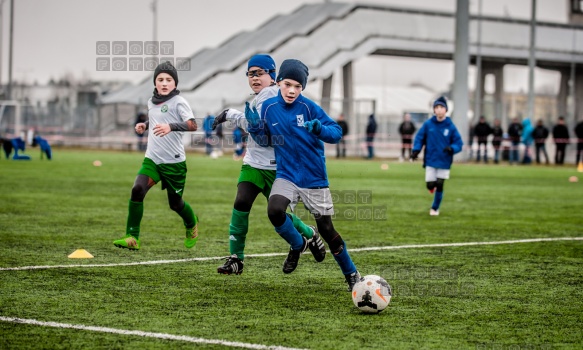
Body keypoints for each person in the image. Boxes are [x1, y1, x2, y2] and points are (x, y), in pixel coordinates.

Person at [247, 58, 362, 291]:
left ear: (303, 88)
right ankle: (298, 244)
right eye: (288, 84)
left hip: (314, 178)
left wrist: (320, 129)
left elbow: (336, 132)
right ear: (278, 82)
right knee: (274, 210)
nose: (292, 91)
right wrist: (255, 127)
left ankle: (351, 273)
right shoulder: (269, 108)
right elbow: (266, 139)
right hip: (287, 174)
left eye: (298, 86)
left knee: (327, 230)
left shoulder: (309, 108)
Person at [211, 54, 325, 275]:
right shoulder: (260, 96)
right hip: (253, 163)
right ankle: (236, 259)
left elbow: (264, 132)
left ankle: (306, 238)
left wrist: (230, 114)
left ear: (272, 76)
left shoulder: (272, 95)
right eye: (251, 73)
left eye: (260, 73)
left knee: (280, 215)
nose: (255, 78)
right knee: (241, 202)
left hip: (277, 168)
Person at [113, 61, 199, 250]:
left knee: (175, 204)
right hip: (152, 159)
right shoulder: (151, 102)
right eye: (160, 79)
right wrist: (144, 126)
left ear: (175, 84)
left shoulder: (179, 102)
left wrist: (171, 127)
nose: (164, 82)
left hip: (174, 163)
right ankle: (132, 237)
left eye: (169, 79)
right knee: (137, 190)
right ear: (155, 83)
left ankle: (191, 222)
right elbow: (156, 120)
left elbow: (193, 125)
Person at [411, 96, 463, 216]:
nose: (439, 110)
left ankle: (435, 208)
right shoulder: (428, 124)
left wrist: (452, 148)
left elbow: (459, 143)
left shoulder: (450, 126)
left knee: (440, 183)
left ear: (446, 110)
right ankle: (431, 188)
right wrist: (416, 151)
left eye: (441, 107)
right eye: (437, 107)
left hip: (444, 160)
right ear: (434, 110)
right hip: (430, 159)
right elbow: (419, 138)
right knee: (430, 185)